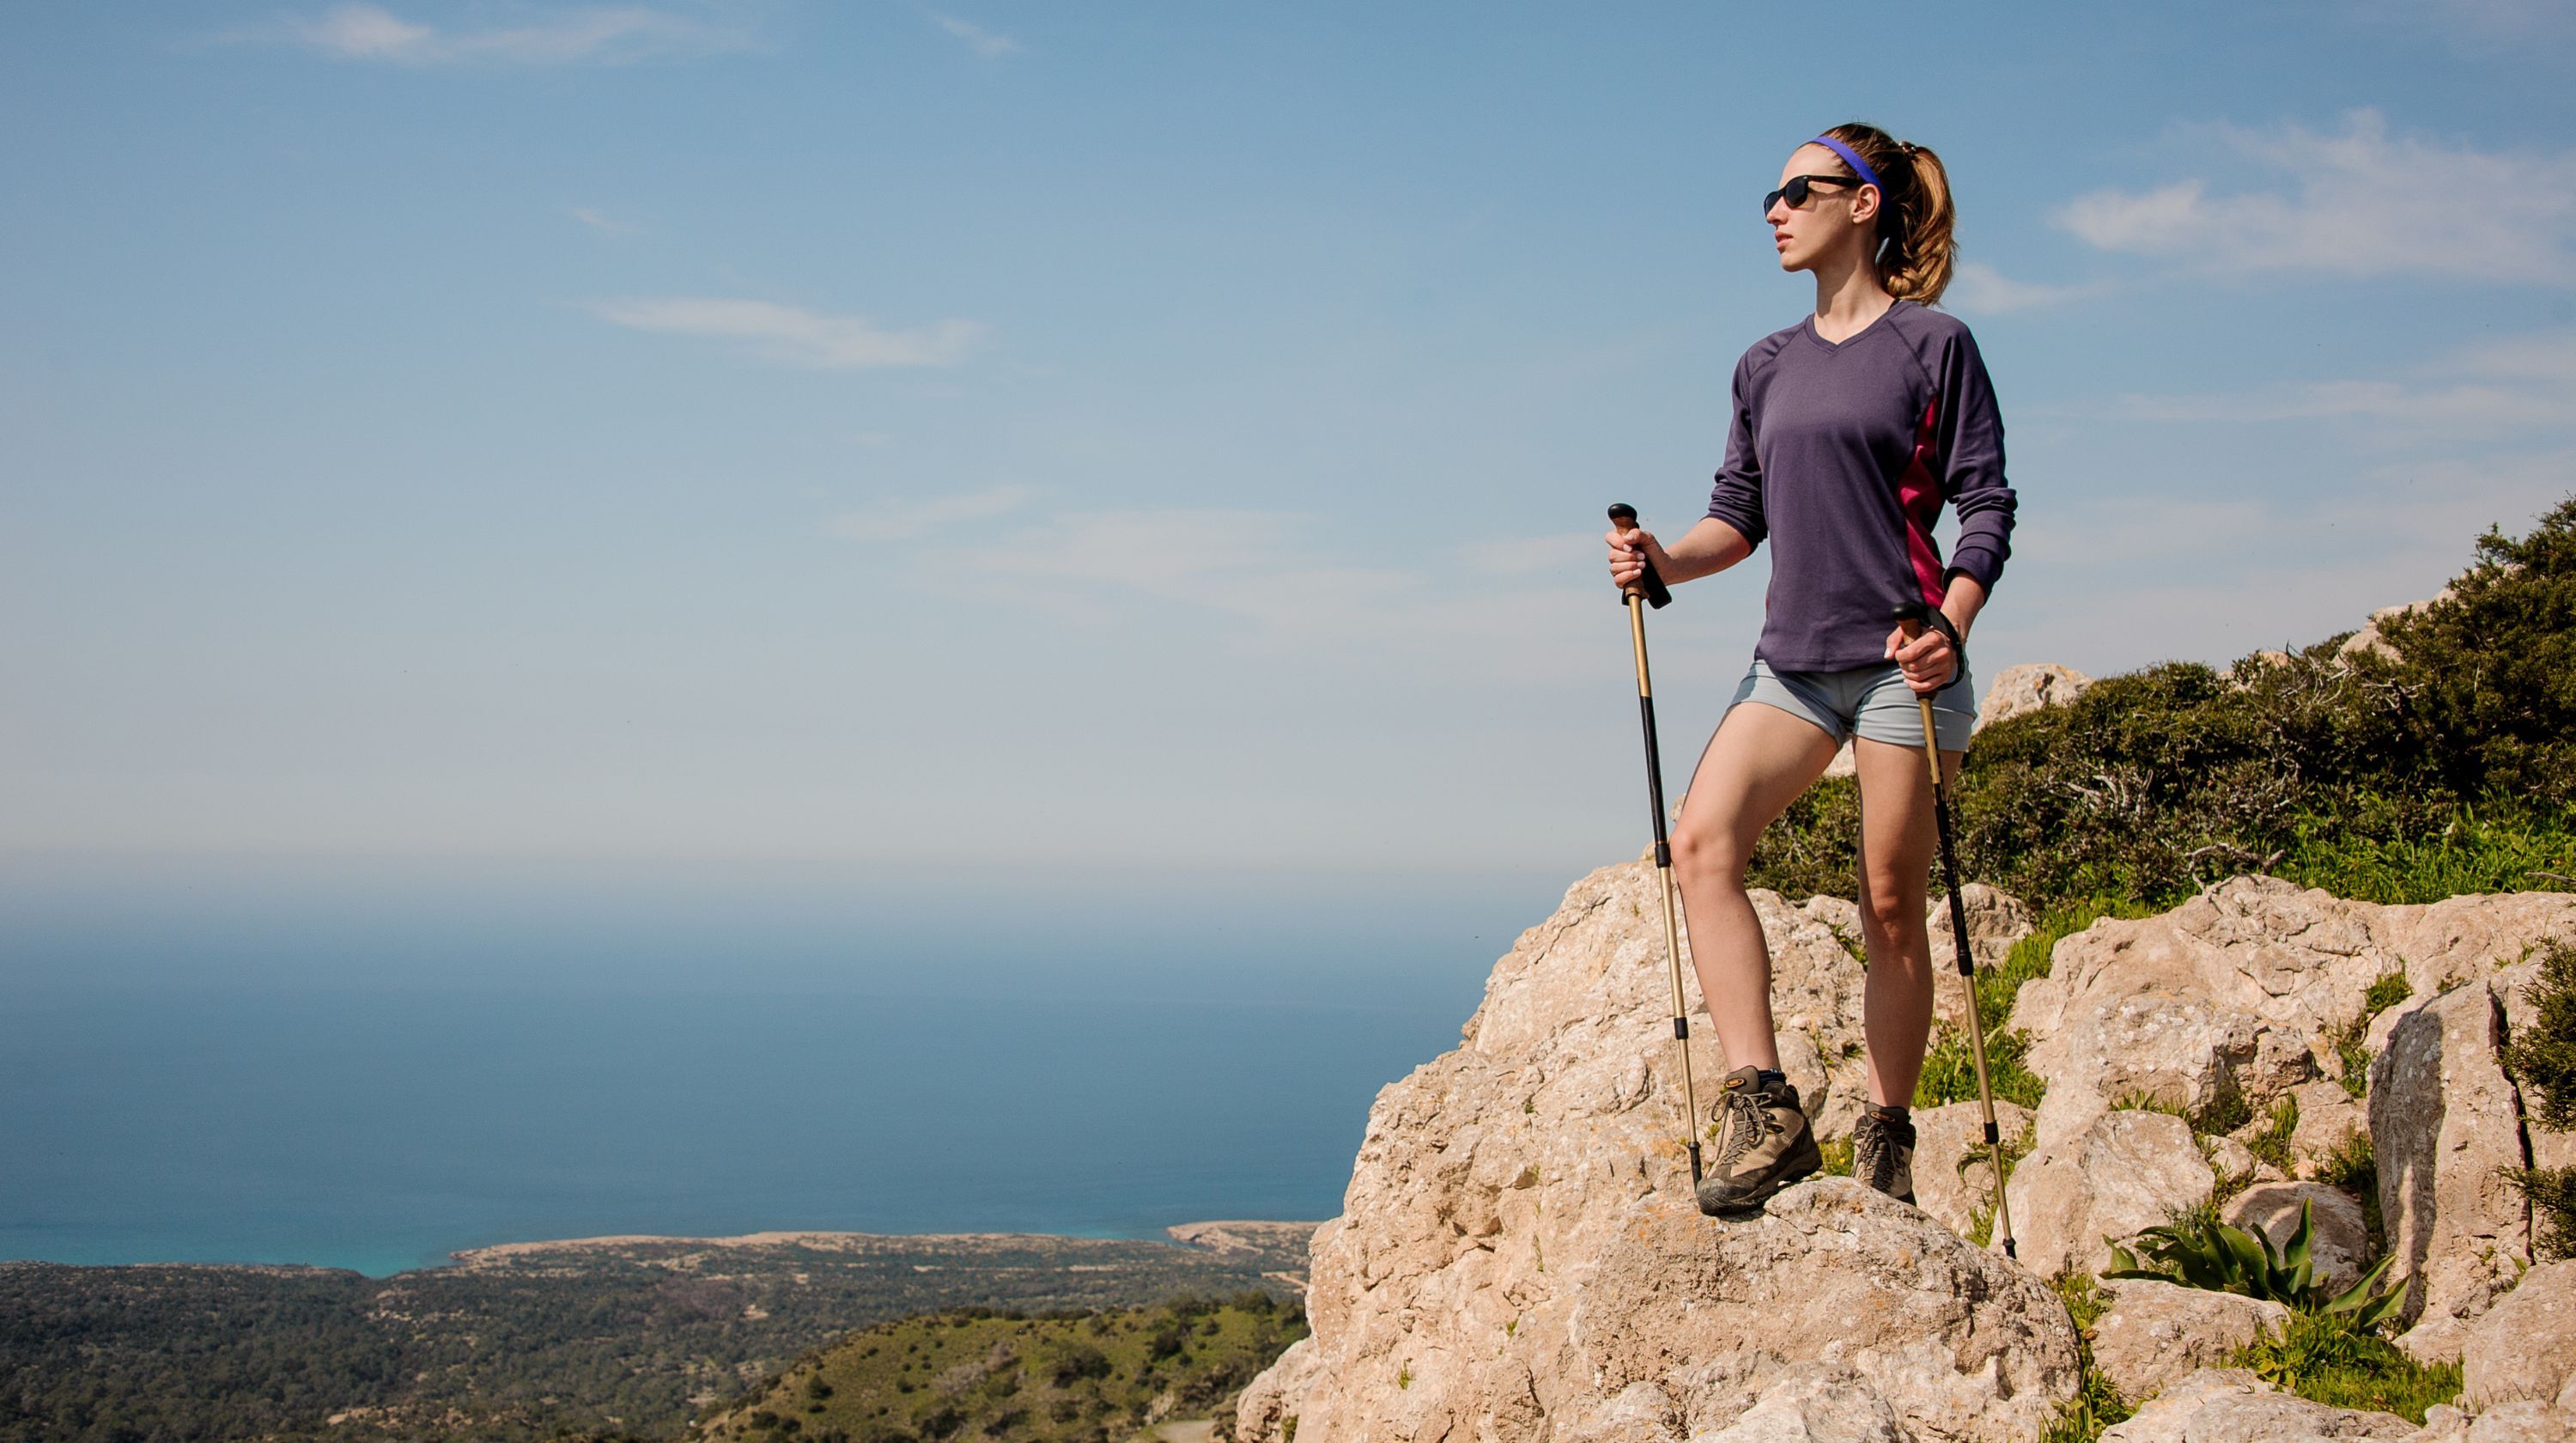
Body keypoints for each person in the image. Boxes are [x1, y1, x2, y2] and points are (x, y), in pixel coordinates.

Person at [1604, 123, 2016, 1217]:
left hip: (1899, 662)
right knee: (1699, 844)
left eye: (1798, 190)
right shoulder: (1764, 364)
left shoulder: (1936, 346)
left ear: (1864, 204)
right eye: (1772, 192)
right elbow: (1738, 520)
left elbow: (1988, 504)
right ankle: (1766, 1106)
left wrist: (1953, 625)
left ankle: (1886, 1132)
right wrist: (1660, 561)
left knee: (1890, 904)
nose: (1774, 209)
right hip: (1790, 662)